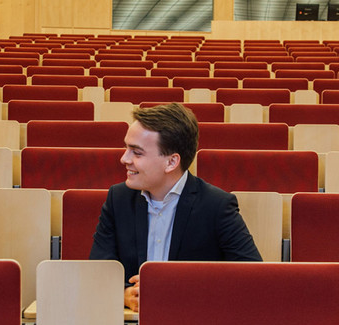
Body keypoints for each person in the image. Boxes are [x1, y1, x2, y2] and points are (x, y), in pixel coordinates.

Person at [89, 103, 262, 312]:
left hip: (193, 323)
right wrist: (124, 293)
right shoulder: (118, 199)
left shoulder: (216, 206)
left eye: (137, 152)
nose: (124, 159)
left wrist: (174, 290)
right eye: (127, 148)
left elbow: (251, 275)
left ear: (171, 162)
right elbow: (99, 267)